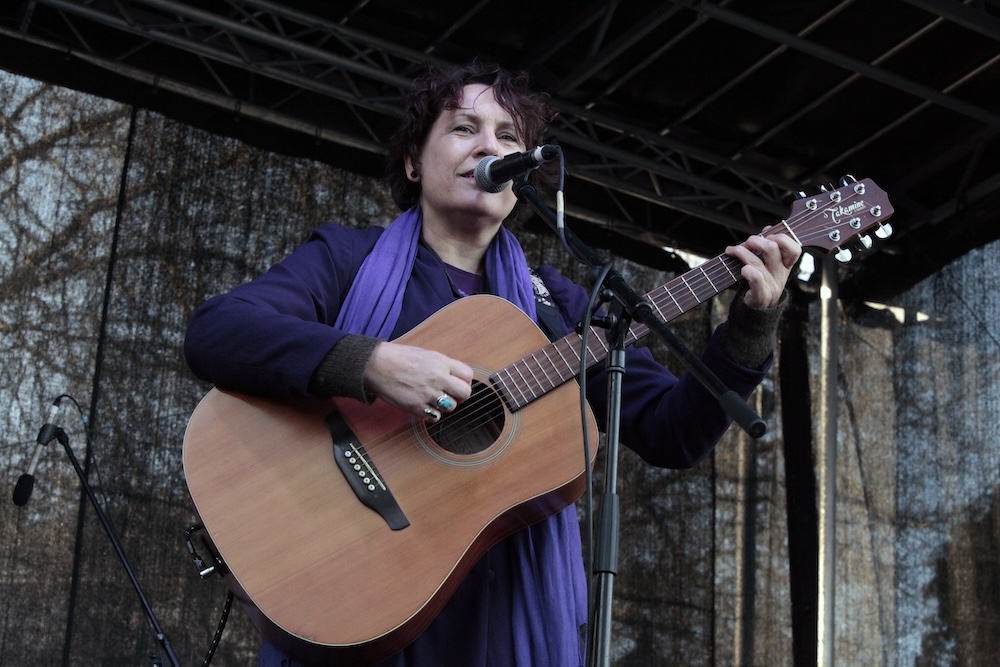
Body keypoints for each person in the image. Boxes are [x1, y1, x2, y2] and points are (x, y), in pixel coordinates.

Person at [184, 58, 800, 667]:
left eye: (509, 137)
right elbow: (218, 332)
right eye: (463, 128)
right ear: (412, 161)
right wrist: (371, 364)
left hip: (503, 628)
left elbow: (674, 431)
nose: (489, 146)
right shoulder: (346, 258)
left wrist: (751, 325)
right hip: (358, 591)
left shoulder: (559, 307)